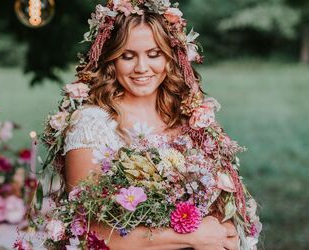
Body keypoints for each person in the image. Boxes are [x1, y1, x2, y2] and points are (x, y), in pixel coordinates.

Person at [42, 1, 260, 249]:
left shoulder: (188, 117)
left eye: (154, 54)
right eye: (127, 56)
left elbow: (220, 204)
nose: (142, 68)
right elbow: (89, 230)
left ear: (171, 57)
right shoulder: (91, 123)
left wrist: (226, 230)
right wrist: (192, 236)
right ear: (110, 59)